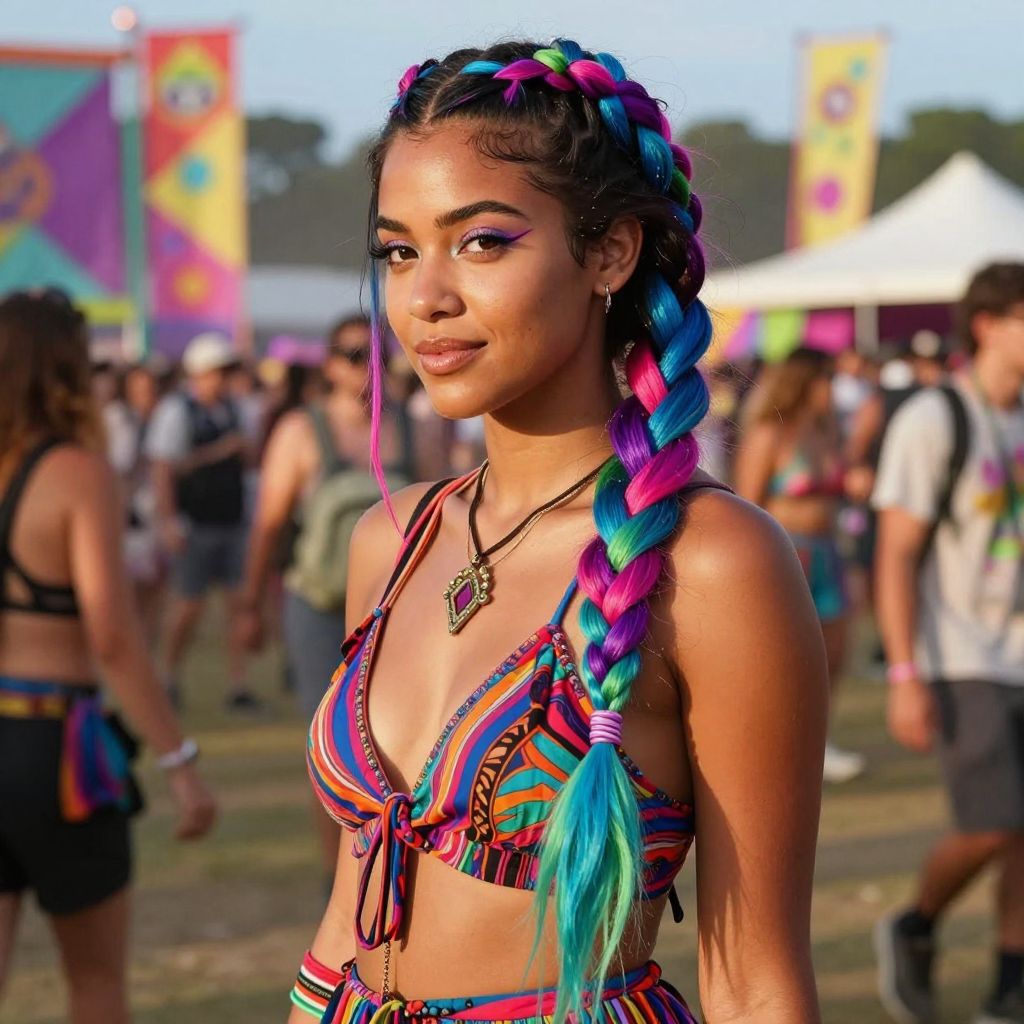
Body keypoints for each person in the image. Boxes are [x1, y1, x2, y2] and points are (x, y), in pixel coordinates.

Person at [287, 39, 828, 1024]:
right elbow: (346, 914)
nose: (425, 296)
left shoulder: (708, 563)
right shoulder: (393, 539)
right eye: (399, 250)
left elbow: (752, 978)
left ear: (610, 251)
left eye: (481, 240)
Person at [0, 290, 216, 1024]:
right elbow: (114, 638)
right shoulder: (76, 473)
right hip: (55, 753)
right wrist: (179, 762)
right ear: (65, 369)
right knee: (95, 985)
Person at [873, 263, 1024, 1024]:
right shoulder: (937, 418)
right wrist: (904, 671)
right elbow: (896, 552)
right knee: (993, 823)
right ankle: (916, 924)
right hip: (963, 654)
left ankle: (1009, 983)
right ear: (990, 324)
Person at [238, 314, 403, 876]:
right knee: (331, 748)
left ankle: (384, 870)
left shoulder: (410, 424)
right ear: (329, 364)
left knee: (398, 741)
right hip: (319, 607)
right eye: (352, 355)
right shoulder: (300, 431)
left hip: (396, 613)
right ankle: (341, 881)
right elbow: (267, 527)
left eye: (376, 353)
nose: (365, 366)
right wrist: (250, 607)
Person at [733, 349, 864, 783]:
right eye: (829, 379)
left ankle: (819, 743)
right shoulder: (771, 433)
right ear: (807, 382)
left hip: (828, 551)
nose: (836, 389)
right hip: (789, 553)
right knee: (787, 656)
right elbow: (747, 501)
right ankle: (776, 743)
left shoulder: (827, 431)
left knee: (836, 653)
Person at [146, 332, 259, 711]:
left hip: (231, 520)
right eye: (217, 371)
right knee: (187, 607)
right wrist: (168, 521)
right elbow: (165, 469)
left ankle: (238, 683)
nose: (224, 379)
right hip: (195, 524)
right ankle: (167, 675)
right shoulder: (176, 411)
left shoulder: (232, 409)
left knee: (237, 604)